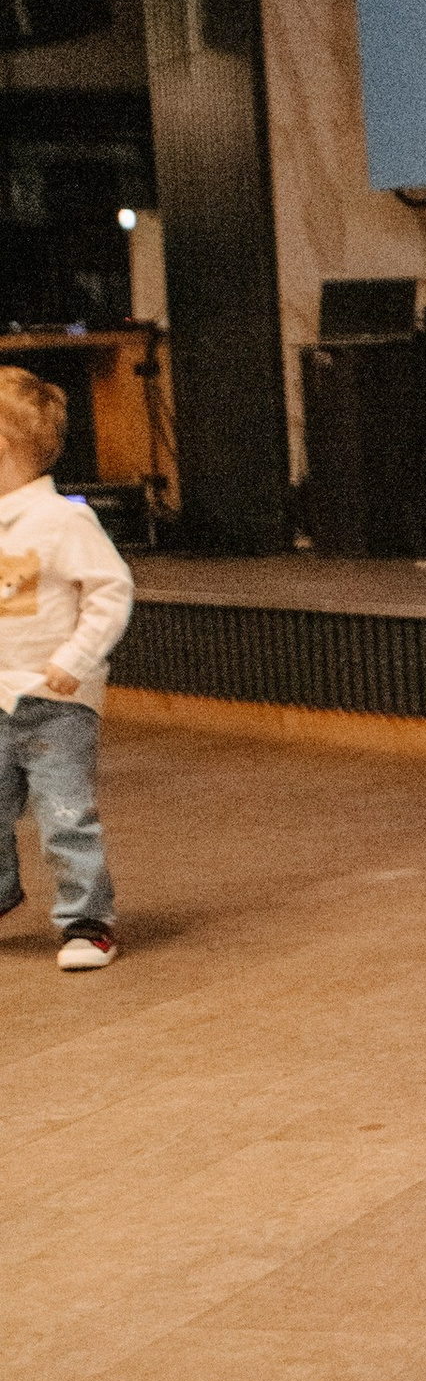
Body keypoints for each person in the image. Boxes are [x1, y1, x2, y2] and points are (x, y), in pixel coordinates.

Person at [0, 367, 136, 971]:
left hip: (54, 700)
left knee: (64, 814)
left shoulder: (61, 519)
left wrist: (75, 661)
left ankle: (87, 921)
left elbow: (110, 591)